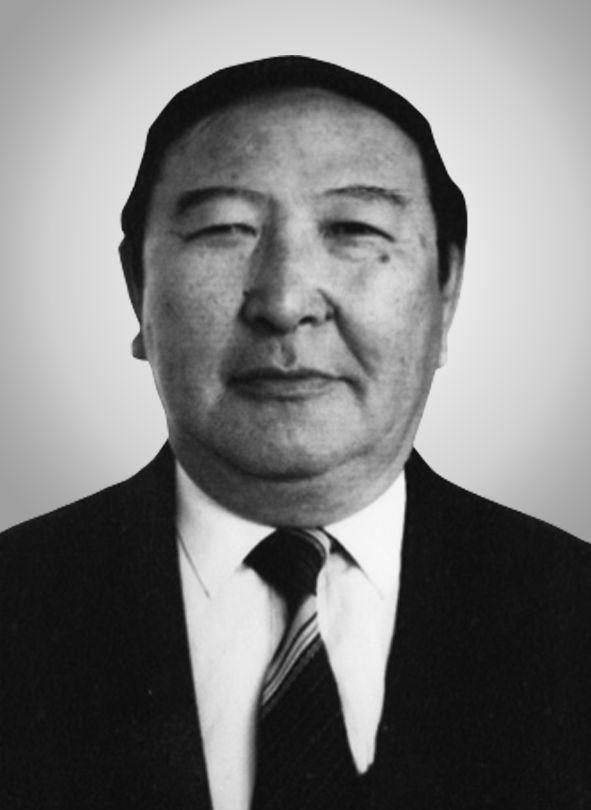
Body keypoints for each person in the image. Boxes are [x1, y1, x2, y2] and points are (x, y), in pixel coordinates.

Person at [1, 55, 590, 810]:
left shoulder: (568, 608)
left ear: (446, 292)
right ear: (137, 288)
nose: (283, 302)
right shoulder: (19, 603)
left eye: (353, 228)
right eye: (223, 229)